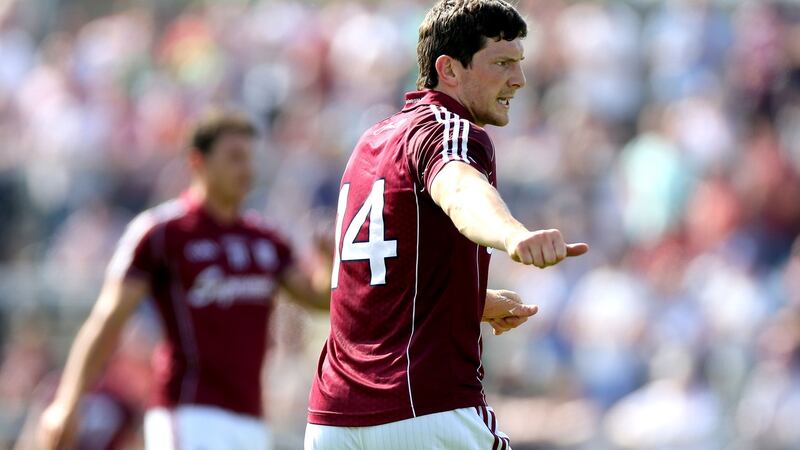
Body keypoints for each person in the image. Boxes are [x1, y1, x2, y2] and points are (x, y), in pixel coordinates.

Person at [304, 0, 589, 449]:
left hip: (333, 421)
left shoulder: (374, 140)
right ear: (449, 70)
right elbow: (458, 189)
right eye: (502, 63)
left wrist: (473, 299)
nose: (519, 79)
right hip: (424, 406)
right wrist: (513, 234)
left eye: (519, 63)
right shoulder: (450, 130)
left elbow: (385, 281)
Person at [37, 110, 331, 450]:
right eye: (234, 158)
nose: (247, 169)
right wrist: (67, 402)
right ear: (198, 162)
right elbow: (107, 320)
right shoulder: (162, 233)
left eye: (250, 158)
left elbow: (318, 299)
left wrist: (327, 261)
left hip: (250, 417)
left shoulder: (266, 240)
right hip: (188, 413)